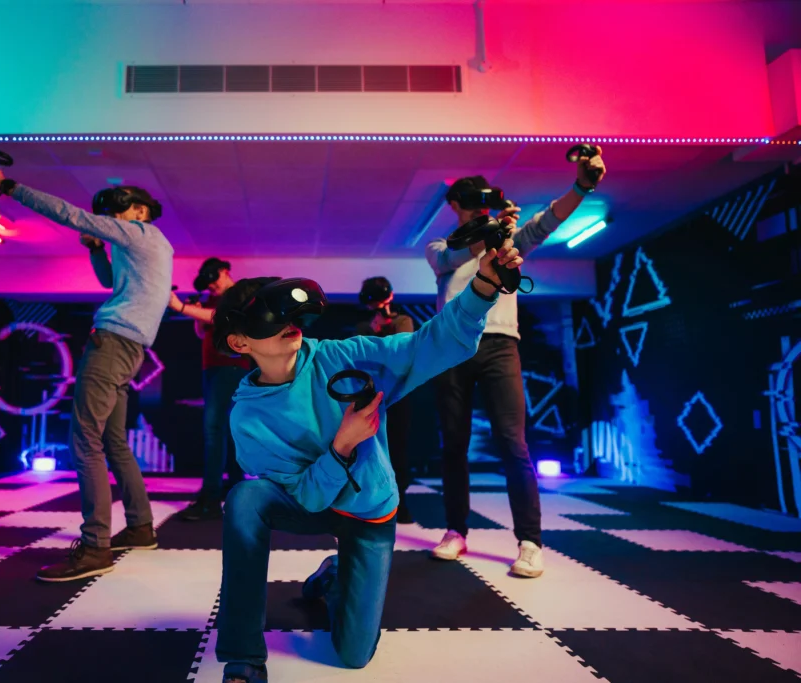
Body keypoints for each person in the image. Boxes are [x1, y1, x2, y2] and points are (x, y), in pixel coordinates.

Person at [215, 239, 522, 683]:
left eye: (290, 314)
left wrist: (484, 287)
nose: (290, 323)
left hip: (367, 509)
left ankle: (334, 576)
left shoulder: (342, 356)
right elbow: (307, 495)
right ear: (240, 341)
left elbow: (427, 345)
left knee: (354, 656)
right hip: (307, 500)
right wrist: (342, 445)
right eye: (272, 317)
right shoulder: (246, 416)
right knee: (245, 498)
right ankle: (243, 657)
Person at [0, 156, 174, 582]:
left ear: (140, 212)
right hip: (131, 346)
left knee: (85, 440)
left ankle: (95, 547)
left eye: (120, 208)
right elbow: (109, 283)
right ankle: (140, 528)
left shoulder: (141, 231)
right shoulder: (145, 246)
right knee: (114, 441)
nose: (112, 217)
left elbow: (70, 215)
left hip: (113, 344)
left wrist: (9, 186)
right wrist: (97, 253)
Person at [424, 147, 607, 578]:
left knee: (513, 442)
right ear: (455, 207)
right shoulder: (439, 246)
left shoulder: (508, 238)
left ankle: (530, 541)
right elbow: (452, 257)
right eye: (471, 205)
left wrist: (583, 186)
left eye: (482, 204)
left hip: (501, 345)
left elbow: (549, 220)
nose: (477, 210)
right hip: (452, 346)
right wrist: (489, 230)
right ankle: (456, 530)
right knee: (454, 442)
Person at [166, 257, 252, 520]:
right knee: (225, 428)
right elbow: (203, 329)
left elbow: (218, 318)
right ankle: (234, 488)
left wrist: (181, 307)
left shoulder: (239, 295)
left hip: (231, 367)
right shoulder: (216, 300)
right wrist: (194, 311)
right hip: (215, 368)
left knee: (215, 429)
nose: (212, 286)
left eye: (214, 280)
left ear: (225, 272)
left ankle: (211, 498)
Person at [355, 277, 415, 524]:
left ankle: (400, 501)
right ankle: (369, 501)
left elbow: (402, 354)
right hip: (370, 397)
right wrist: (374, 330)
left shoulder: (403, 321)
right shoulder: (363, 326)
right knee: (368, 449)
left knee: (399, 449)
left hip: (397, 396)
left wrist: (382, 331)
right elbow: (359, 358)